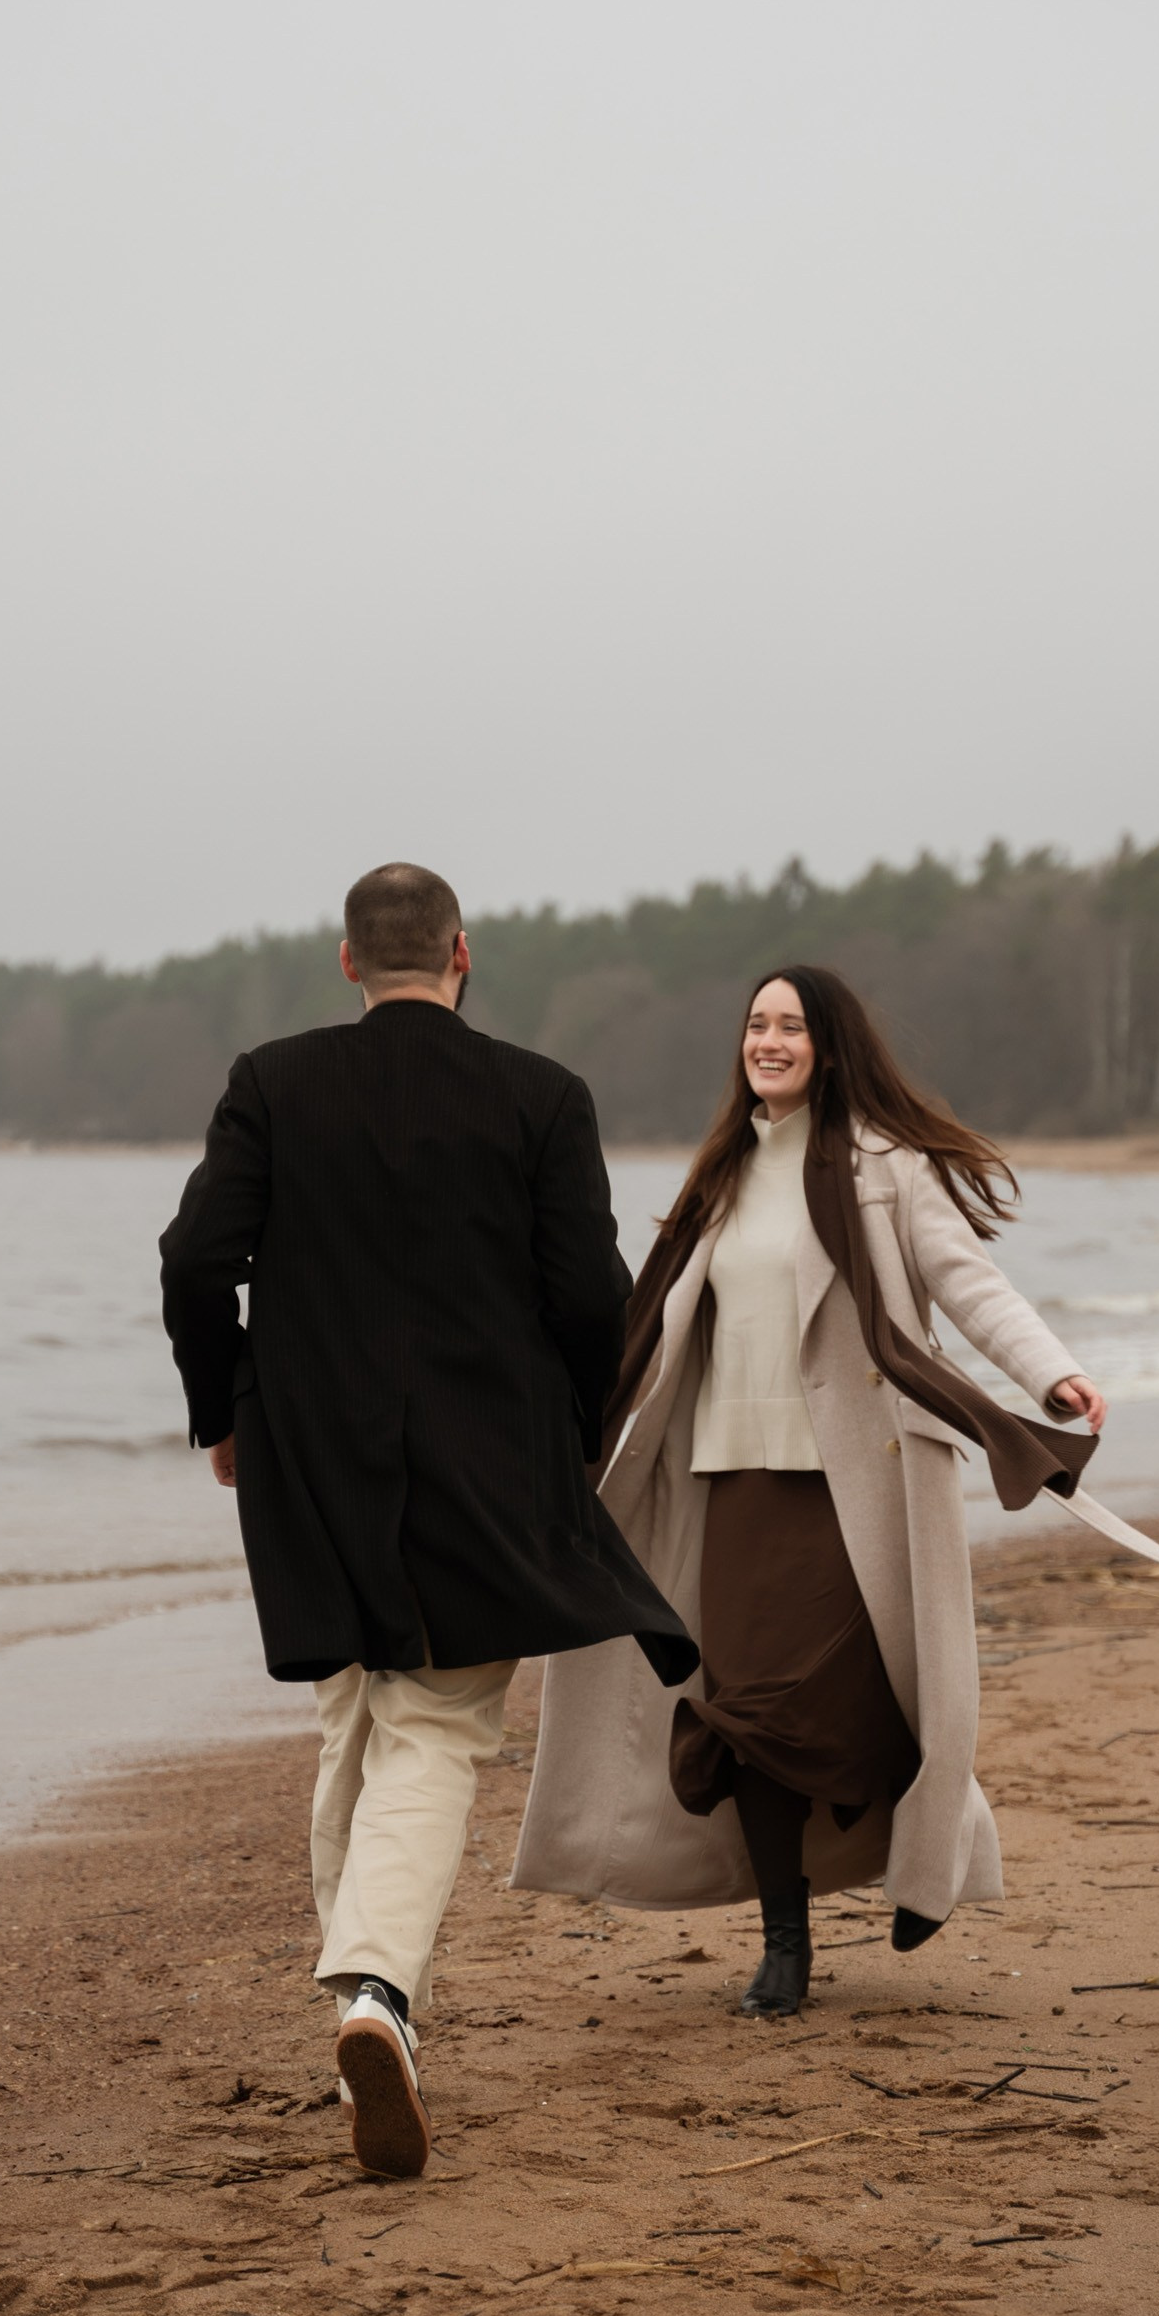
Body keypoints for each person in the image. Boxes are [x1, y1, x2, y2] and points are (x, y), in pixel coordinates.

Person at [158, 863, 695, 2175]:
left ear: (348, 960)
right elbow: (593, 1297)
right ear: (462, 952)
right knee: (437, 1726)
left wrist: (224, 1410)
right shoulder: (540, 1094)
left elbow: (194, 1258)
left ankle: (366, 1999)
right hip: (485, 1460)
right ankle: (379, 1993)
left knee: (357, 1711)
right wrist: (580, 1433)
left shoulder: (274, 1081)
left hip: (308, 1458)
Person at [512, 964, 1105, 2015]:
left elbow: (969, 1283)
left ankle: (927, 1846)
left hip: (854, 1481)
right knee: (746, 1715)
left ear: (828, 1049)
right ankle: (783, 1943)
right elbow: (642, 1325)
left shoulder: (885, 1168)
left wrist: (1048, 1373)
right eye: (756, 1023)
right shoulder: (721, 1174)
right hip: (731, 1481)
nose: (769, 1041)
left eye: (790, 1025)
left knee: (868, 1692)